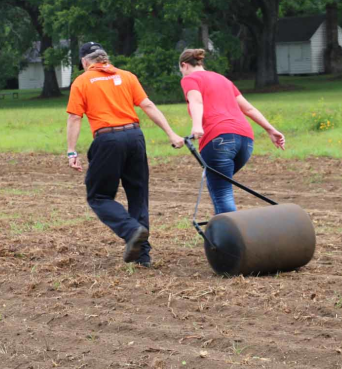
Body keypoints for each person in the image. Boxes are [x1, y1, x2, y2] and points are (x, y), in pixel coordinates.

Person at [66, 42, 185, 267]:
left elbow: (74, 117)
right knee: (138, 196)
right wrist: (171, 133)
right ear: (105, 58)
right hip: (135, 137)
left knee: (99, 196)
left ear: (85, 61)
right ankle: (142, 256)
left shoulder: (82, 81)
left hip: (108, 140)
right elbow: (148, 105)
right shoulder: (127, 76)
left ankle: (131, 231)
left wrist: (72, 151)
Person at [179, 49, 285, 215]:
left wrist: (197, 125)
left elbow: (197, 101)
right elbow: (248, 108)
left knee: (222, 192)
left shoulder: (190, 79)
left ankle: (229, 231)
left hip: (219, 139)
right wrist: (271, 130)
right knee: (219, 185)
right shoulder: (223, 79)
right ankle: (224, 227)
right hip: (246, 141)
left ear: (184, 65)